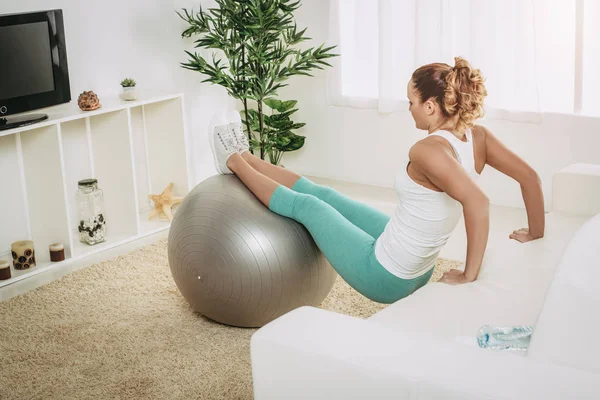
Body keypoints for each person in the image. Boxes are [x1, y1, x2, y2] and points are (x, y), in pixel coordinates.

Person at [207, 56, 545, 304]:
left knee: (308, 206)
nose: (408, 108)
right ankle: (247, 154)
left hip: (386, 276)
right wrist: (535, 232)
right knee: (323, 193)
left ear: (430, 106)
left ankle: (232, 160)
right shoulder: (478, 137)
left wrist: (469, 276)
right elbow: (530, 178)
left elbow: (478, 202)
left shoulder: (427, 150)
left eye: (411, 101)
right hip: (414, 263)